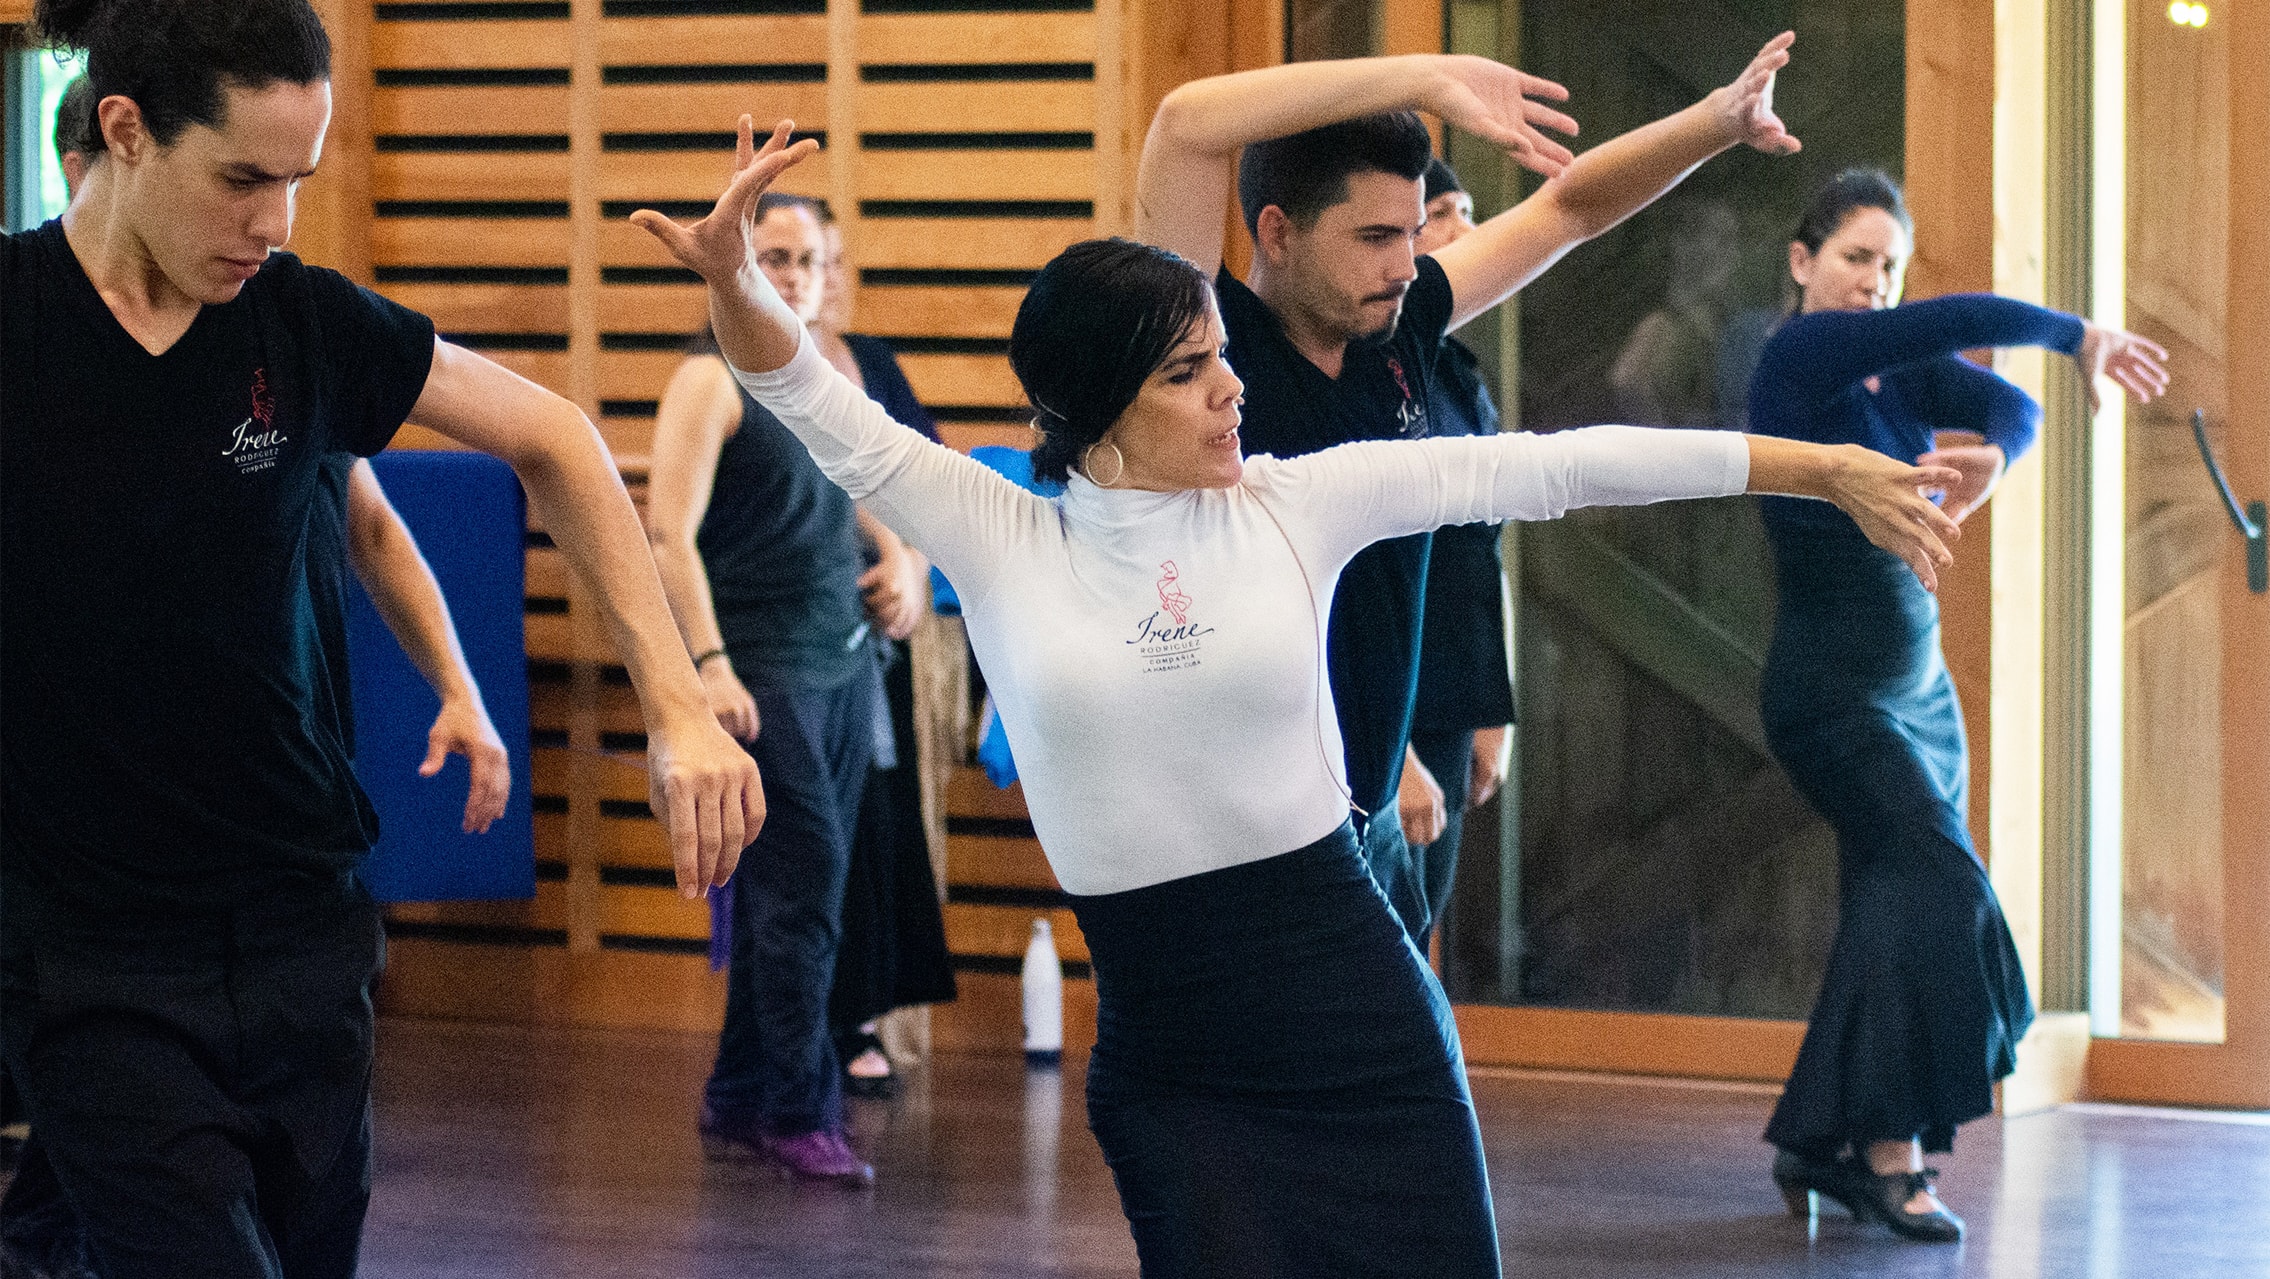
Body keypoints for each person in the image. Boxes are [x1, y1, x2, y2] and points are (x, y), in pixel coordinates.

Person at [634, 118, 1959, 1279]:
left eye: (1224, 356)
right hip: (1168, 1049)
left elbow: (1561, 466)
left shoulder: (1293, 502)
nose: (1233, 389)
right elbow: (794, 387)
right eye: (1186, 372)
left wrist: (1819, 464)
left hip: (1354, 1008)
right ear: (1096, 403)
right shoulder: (997, 530)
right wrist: (734, 271)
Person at [0, 3, 762, 1275]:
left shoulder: (300, 325)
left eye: (299, 181)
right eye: (242, 179)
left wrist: (678, 704)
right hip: (91, 960)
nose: (277, 222)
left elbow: (558, 440)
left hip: (307, 925)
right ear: (124, 133)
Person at [1132, 35, 1803, 942]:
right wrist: (1418, 77)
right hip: (1245, 838)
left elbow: (1568, 208)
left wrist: (1712, 122)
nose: (1406, 264)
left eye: (1412, 234)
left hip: (1365, 818)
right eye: (1375, 237)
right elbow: (1182, 125)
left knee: (1412, 1080)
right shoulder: (1203, 347)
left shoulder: (1402, 329)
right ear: (1278, 232)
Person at [1750, 170, 2169, 1242]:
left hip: (1920, 693)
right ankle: (1891, 1152)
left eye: (1887, 267)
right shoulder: (1798, 357)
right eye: (1855, 258)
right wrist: (2074, 331)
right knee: (1940, 886)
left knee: (1888, 908)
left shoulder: (1893, 384)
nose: (1873, 283)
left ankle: (1818, 1144)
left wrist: (1996, 460)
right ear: (1802, 263)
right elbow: (1968, 322)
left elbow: (2006, 406)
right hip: (1831, 695)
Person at [647, 192, 932, 1183]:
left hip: (845, 667)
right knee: (799, 902)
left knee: (799, 893)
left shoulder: (812, 380)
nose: (795, 272)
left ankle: (736, 1094)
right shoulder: (705, 378)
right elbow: (665, 535)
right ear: (738, 264)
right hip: (764, 678)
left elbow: (864, 487)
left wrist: (898, 558)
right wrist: (709, 672)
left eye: (808, 258)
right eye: (774, 254)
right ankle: (796, 1111)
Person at [809, 213, 958, 1100]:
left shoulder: (876, 363)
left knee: (883, 819)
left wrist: (913, 567)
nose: (818, 278)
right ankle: (814, 1022)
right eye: (793, 261)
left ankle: (860, 1010)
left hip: (885, 632)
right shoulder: (738, 375)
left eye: (829, 262)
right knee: (820, 829)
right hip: (803, 632)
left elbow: (928, 484)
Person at [1395, 157, 1514, 953]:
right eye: (1444, 212)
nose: (1469, 231)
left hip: (1452, 689)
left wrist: (1492, 711)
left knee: (1421, 927)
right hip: (1386, 705)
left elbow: (1483, 551)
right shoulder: (1378, 376)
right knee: (1381, 944)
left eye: (1472, 209)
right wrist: (1390, 753)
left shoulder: (1463, 374)